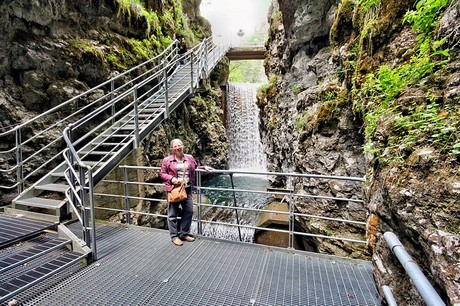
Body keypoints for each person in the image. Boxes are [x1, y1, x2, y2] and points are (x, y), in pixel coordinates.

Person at [160, 138, 213, 246]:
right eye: (175, 146)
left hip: (187, 189)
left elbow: (195, 167)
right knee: (172, 214)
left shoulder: (189, 158)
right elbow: (162, 173)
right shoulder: (167, 160)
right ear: (172, 148)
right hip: (174, 189)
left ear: (183, 146)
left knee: (189, 211)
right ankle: (174, 236)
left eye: (179, 145)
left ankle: (183, 234)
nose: (178, 148)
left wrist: (204, 167)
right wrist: (171, 179)